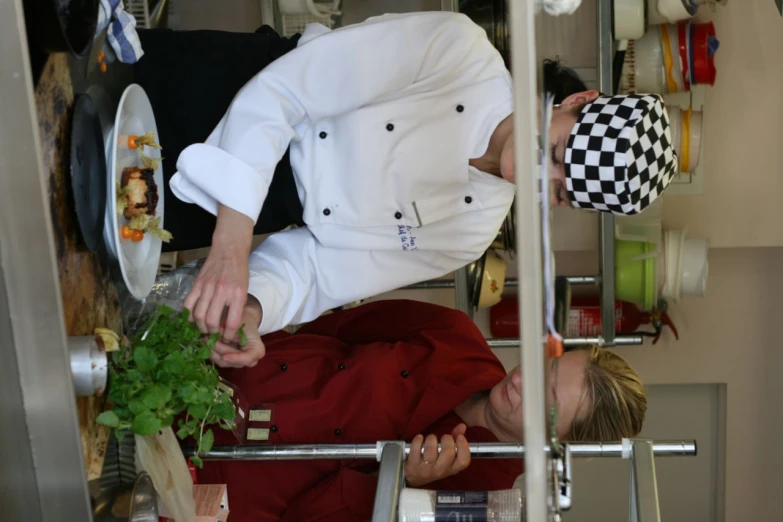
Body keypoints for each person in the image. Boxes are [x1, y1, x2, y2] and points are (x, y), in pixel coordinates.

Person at [135, 14, 678, 367]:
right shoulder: (461, 53)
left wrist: (254, 306)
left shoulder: (472, 232)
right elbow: (286, 91)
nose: (535, 178)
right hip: (214, 91)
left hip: (235, 206)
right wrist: (231, 252)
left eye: (558, 192)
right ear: (577, 102)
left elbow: (320, 272)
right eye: (557, 154)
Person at [198, 299, 647, 522]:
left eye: (546, 401)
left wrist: (397, 485)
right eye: (546, 367)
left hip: (209, 493)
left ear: (553, 448)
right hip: (204, 377)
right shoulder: (456, 335)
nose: (520, 380)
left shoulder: (473, 504)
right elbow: (331, 324)